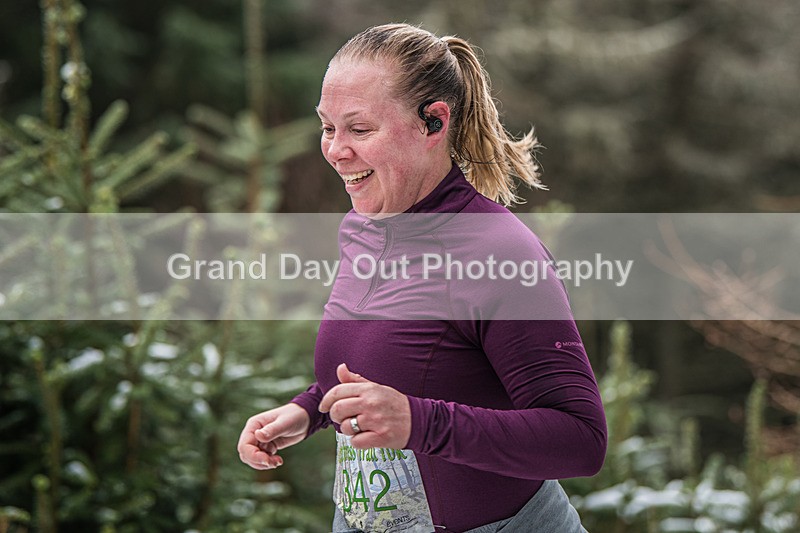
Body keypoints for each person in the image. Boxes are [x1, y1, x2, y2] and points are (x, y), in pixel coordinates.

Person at [238, 23, 607, 533]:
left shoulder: (498, 253)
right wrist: (310, 410)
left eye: (359, 129)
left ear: (433, 123)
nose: (335, 150)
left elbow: (580, 441)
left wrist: (419, 422)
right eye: (327, 127)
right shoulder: (366, 228)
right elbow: (387, 367)